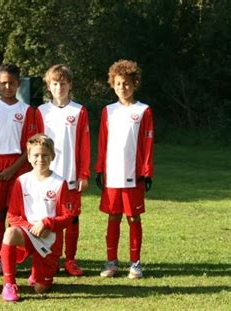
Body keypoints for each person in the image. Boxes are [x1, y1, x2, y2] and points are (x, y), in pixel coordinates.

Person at [95, 59, 154, 279]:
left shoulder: (143, 111)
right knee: (113, 217)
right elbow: (103, 141)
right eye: (118, 83)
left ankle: (135, 263)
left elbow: (147, 142)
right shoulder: (108, 111)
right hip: (112, 175)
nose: (123, 87)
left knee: (133, 219)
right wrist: (100, 169)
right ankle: (111, 262)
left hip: (133, 175)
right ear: (113, 84)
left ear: (135, 83)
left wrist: (147, 171)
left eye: (127, 83)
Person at [0, 134, 73, 302]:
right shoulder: (22, 181)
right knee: (10, 233)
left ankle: (38, 272)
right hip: (27, 233)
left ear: (52, 156)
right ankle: (9, 285)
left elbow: (68, 217)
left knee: (40, 289)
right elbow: (12, 215)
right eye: (36, 155)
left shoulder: (59, 183)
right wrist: (29, 227)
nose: (40, 159)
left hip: (49, 238)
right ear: (29, 157)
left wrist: (46, 223)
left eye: (45, 155)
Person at [36, 64, 90, 276]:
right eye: (55, 84)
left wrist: (83, 174)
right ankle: (50, 257)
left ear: (70, 85)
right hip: (47, 176)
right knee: (50, 218)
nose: (59, 88)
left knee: (72, 218)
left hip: (70, 175)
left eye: (63, 84)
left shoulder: (79, 111)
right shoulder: (41, 111)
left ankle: (70, 259)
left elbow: (84, 146)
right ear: (49, 86)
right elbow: (34, 146)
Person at [0, 63, 38, 274]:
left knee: (16, 215)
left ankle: (17, 255)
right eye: (3, 83)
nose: (7, 87)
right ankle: (0, 256)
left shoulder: (26, 111)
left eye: (12, 83)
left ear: (18, 84)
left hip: (18, 166)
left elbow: (30, 145)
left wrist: (14, 168)